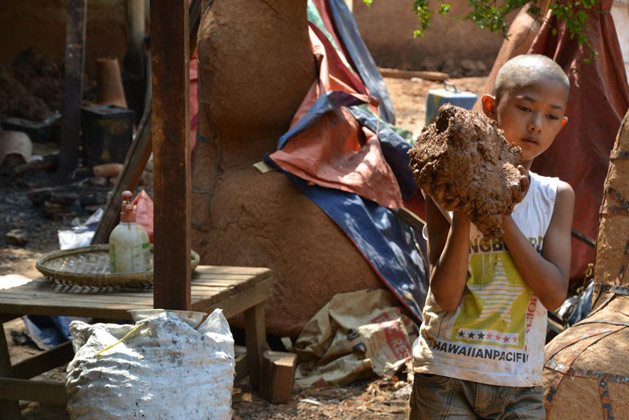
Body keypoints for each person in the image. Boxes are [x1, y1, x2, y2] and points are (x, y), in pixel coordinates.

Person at [408, 54, 575, 419]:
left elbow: (553, 294)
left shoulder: (555, 197)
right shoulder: (445, 187)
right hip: (445, 373)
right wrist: (467, 210)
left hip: (518, 383)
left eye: (550, 116)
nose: (535, 125)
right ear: (490, 107)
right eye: (524, 108)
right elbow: (446, 297)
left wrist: (499, 212)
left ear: (561, 126)